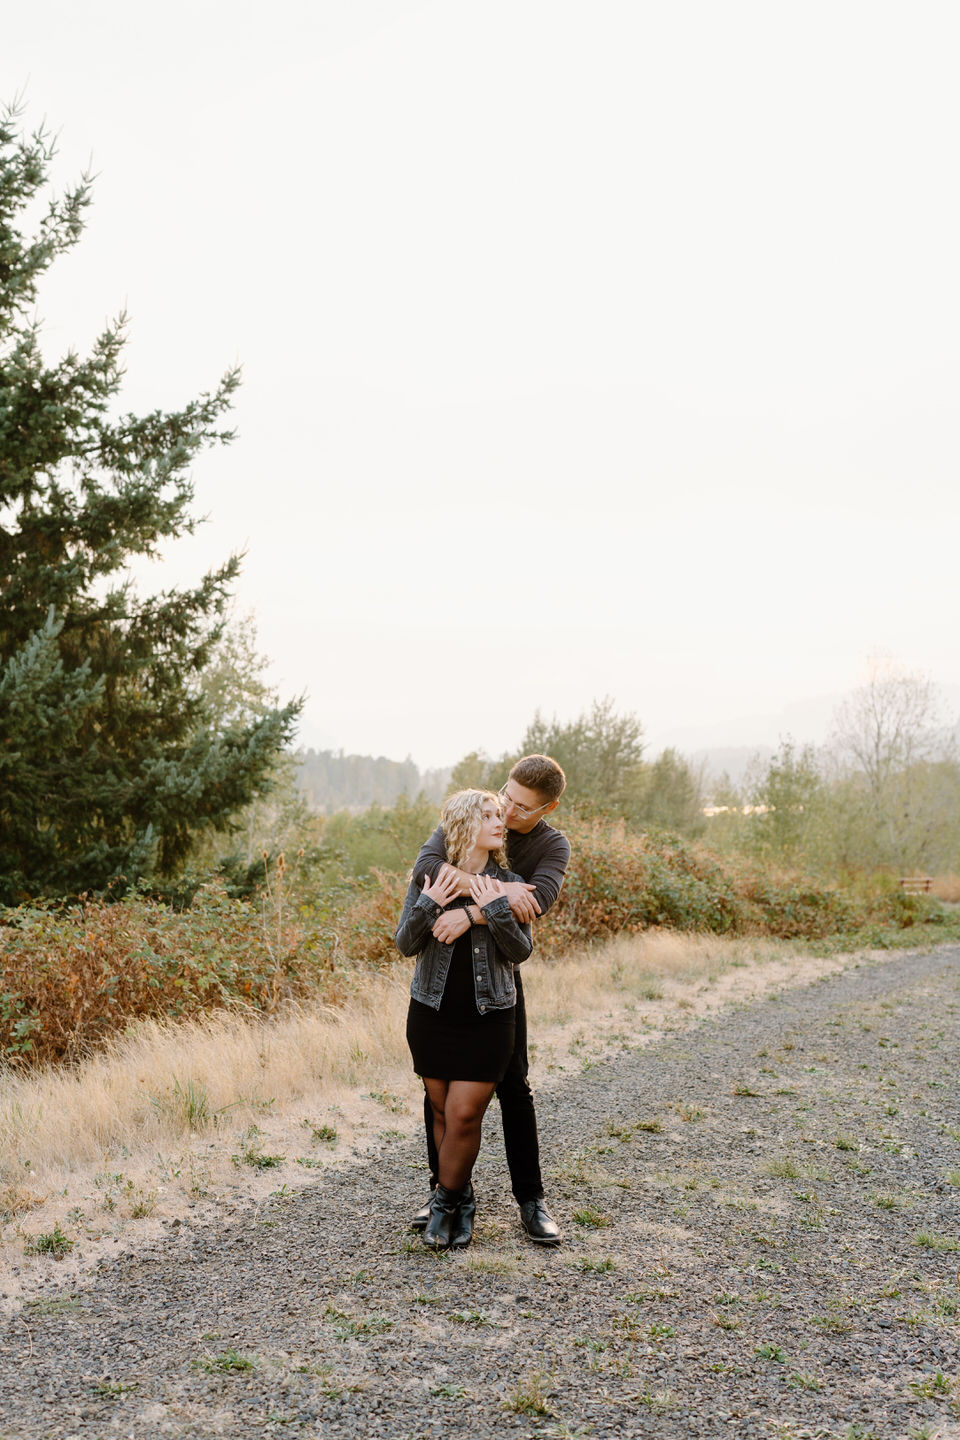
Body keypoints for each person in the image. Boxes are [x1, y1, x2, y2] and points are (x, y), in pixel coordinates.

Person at [409, 754, 570, 1246]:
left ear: (547, 808)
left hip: (497, 976)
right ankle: (450, 1192)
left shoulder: (551, 844)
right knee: (440, 1096)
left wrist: (475, 911)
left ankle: (531, 1199)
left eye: (521, 806)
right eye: (506, 794)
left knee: (513, 1086)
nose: (507, 808)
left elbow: (536, 901)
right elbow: (427, 867)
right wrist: (497, 892)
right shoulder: (472, 815)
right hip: (444, 986)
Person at [396, 789, 533, 1250]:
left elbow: (520, 952)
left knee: (464, 1112)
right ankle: (460, 1199)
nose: (501, 821)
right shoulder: (431, 878)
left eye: (500, 814)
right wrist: (429, 903)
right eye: (489, 815)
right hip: (432, 1013)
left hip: (491, 1016)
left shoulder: (508, 882)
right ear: (462, 825)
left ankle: (443, 1204)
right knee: (439, 1109)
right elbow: (405, 943)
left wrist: (493, 908)